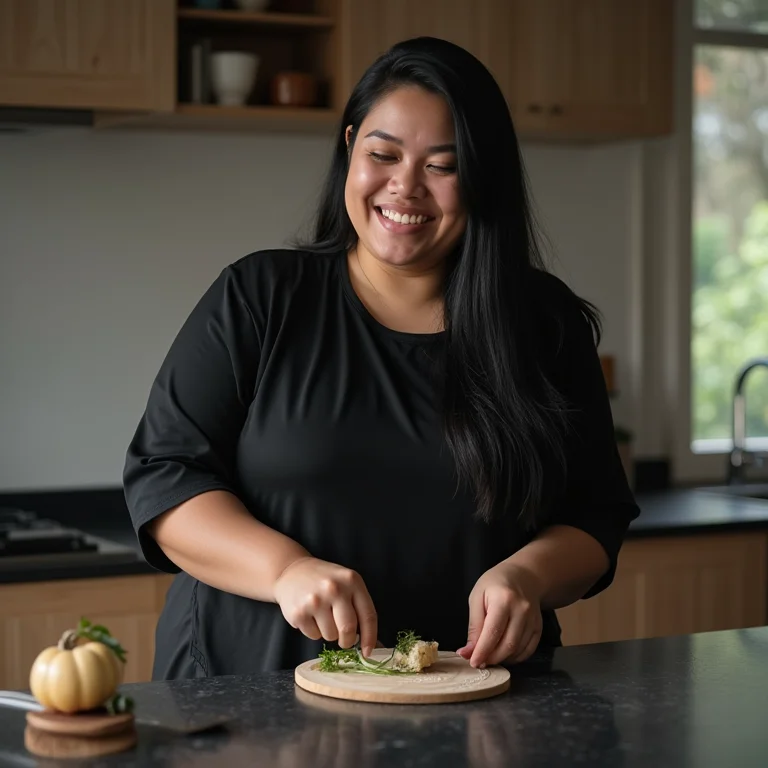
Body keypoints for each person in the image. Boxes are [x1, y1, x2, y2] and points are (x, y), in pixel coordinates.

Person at [123, 36, 640, 680]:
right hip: (248, 683)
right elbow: (165, 477)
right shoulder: (260, 297)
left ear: (484, 177)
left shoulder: (543, 324)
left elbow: (595, 512)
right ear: (350, 149)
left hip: (473, 690)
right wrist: (283, 570)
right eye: (383, 154)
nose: (405, 186)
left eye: (442, 166)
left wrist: (529, 576)